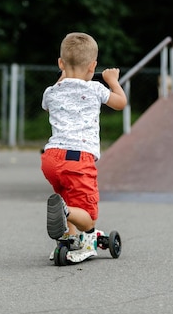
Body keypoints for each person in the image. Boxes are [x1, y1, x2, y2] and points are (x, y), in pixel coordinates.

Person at [41, 32, 127, 261]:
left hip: (51, 158)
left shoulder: (51, 92)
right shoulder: (95, 88)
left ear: (60, 63)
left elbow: (48, 106)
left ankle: (68, 238)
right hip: (78, 158)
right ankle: (81, 232)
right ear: (93, 66)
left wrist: (64, 76)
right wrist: (113, 81)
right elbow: (120, 103)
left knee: (66, 195)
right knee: (87, 216)